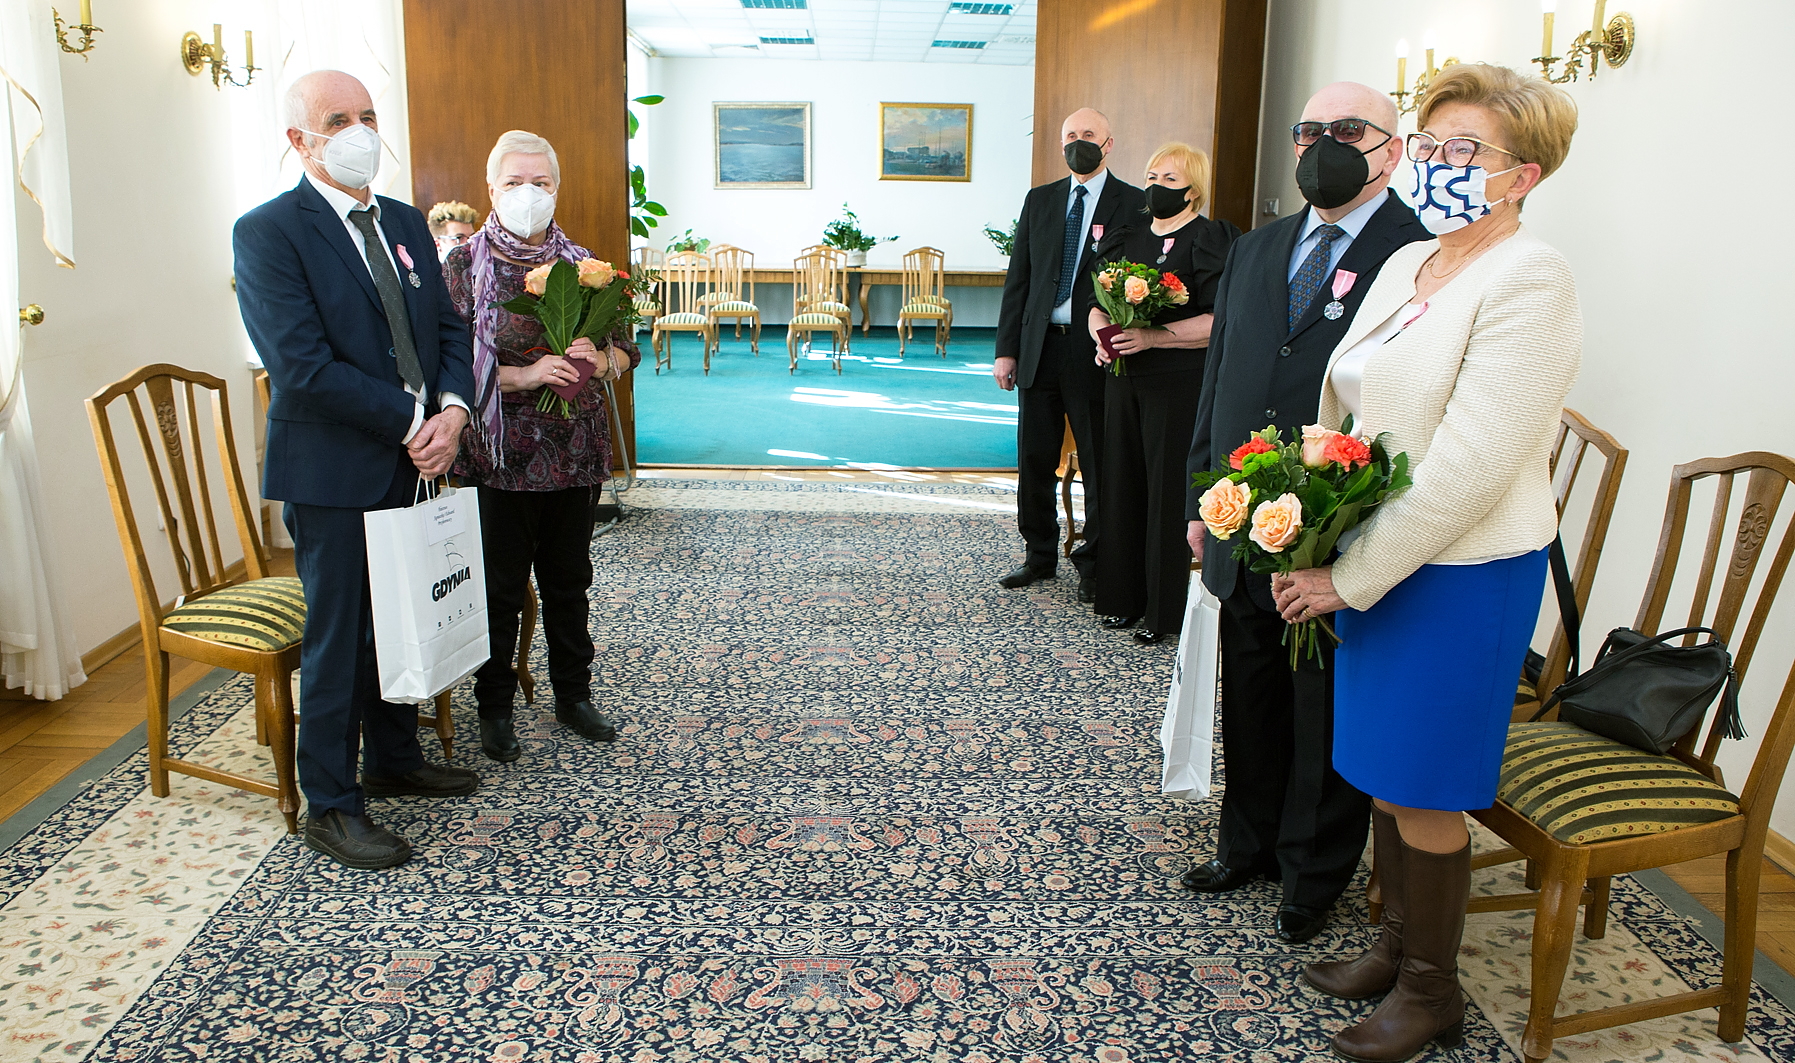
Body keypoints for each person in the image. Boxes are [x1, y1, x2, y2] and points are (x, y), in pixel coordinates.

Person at [1273, 64, 1580, 1062]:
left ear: (1521, 174)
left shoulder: (1528, 276)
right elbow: (1352, 398)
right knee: (1380, 771)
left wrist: (1344, 577)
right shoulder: (1416, 263)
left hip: (1457, 573)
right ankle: (1396, 945)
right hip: (1381, 548)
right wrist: (1307, 514)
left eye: (1468, 152)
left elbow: (1467, 469)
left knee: (1426, 783)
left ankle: (1430, 992)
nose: (1442, 164)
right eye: (1433, 143)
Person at [1179, 82, 1429, 945]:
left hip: (1338, 520)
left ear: (1389, 150)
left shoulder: (1418, 255)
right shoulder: (1259, 246)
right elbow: (1218, 380)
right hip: (1241, 509)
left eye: (1346, 130)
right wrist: (1197, 500)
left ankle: (1310, 869)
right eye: (1308, 130)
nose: (1322, 143)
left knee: (1319, 697)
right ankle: (1243, 841)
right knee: (1246, 686)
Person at [234, 70, 480, 870]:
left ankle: (395, 758)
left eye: (367, 115)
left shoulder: (405, 220)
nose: (358, 129)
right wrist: (414, 422)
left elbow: (447, 328)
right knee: (340, 639)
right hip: (333, 468)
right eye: (337, 118)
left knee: (405, 610)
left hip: (418, 458)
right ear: (298, 140)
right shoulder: (269, 231)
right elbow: (301, 366)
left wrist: (451, 410)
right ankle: (331, 804)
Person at [445, 130, 639, 764]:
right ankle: (495, 706)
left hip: (573, 452)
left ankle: (573, 695)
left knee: (568, 582)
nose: (528, 193)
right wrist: (524, 376)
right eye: (514, 182)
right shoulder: (461, 268)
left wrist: (602, 357)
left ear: (556, 188)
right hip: (497, 459)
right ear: (491, 189)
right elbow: (443, 371)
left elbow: (626, 348)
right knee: (498, 588)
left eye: (541, 182)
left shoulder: (588, 267)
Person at [1087, 143, 1237, 643]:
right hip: (1123, 380)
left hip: (1177, 384)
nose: (1156, 187)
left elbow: (1220, 320)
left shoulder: (1210, 239)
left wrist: (1152, 337)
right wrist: (1104, 338)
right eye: (1152, 175)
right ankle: (1121, 598)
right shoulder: (1127, 237)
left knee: (1166, 494)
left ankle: (1162, 611)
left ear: (1193, 190)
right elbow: (1096, 301)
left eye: (1169, 179)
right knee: (1121, 483)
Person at [994, 108, 1145, 601]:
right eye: (1070, 135)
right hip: (1039, 351)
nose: (1078, 142)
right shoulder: (1040, 200)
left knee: (1101, 465)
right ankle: (1038, 556)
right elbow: (1019, 280)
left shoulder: (1134, 204)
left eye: (1088, 135)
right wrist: (1006, 351)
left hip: (1094, 355)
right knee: (1033, 460)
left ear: (1109, 143)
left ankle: (1094, 563)